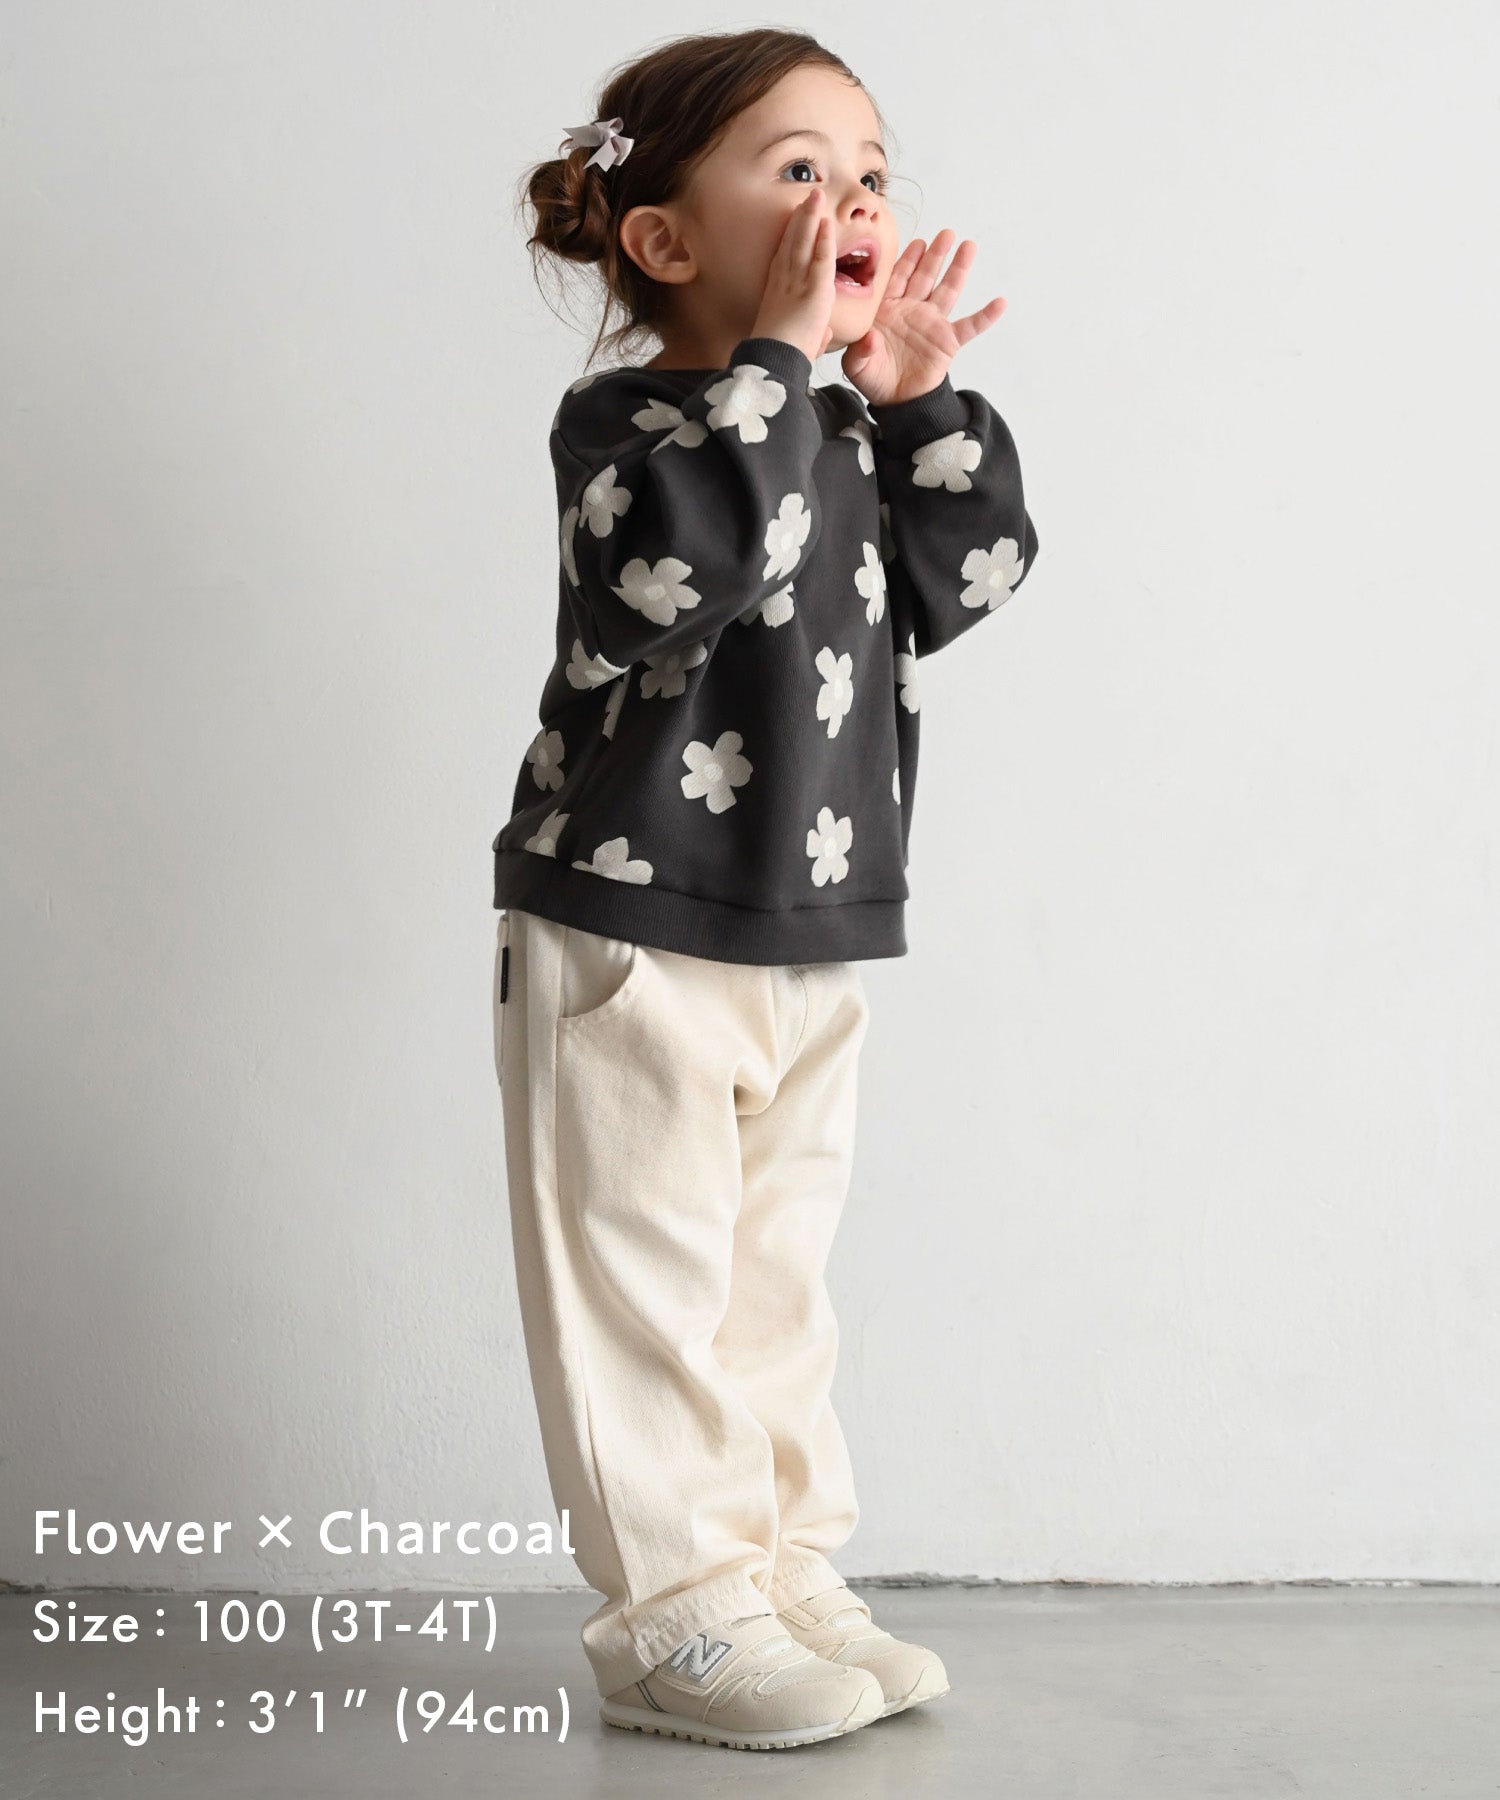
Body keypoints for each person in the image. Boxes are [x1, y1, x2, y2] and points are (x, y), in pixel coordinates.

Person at [490, 27, 1040, 1752]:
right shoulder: (634, 428)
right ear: (663, 240)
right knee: (647, 1289)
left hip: (812, 922)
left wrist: (916, 395)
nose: (850, 202)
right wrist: (789, 369)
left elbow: (973, 574)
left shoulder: (840, 430)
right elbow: (675, 572)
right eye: (798, 171)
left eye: (870, 175)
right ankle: (676, 1617)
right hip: (628, 921)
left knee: (772, 1284)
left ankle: (785, 1569)